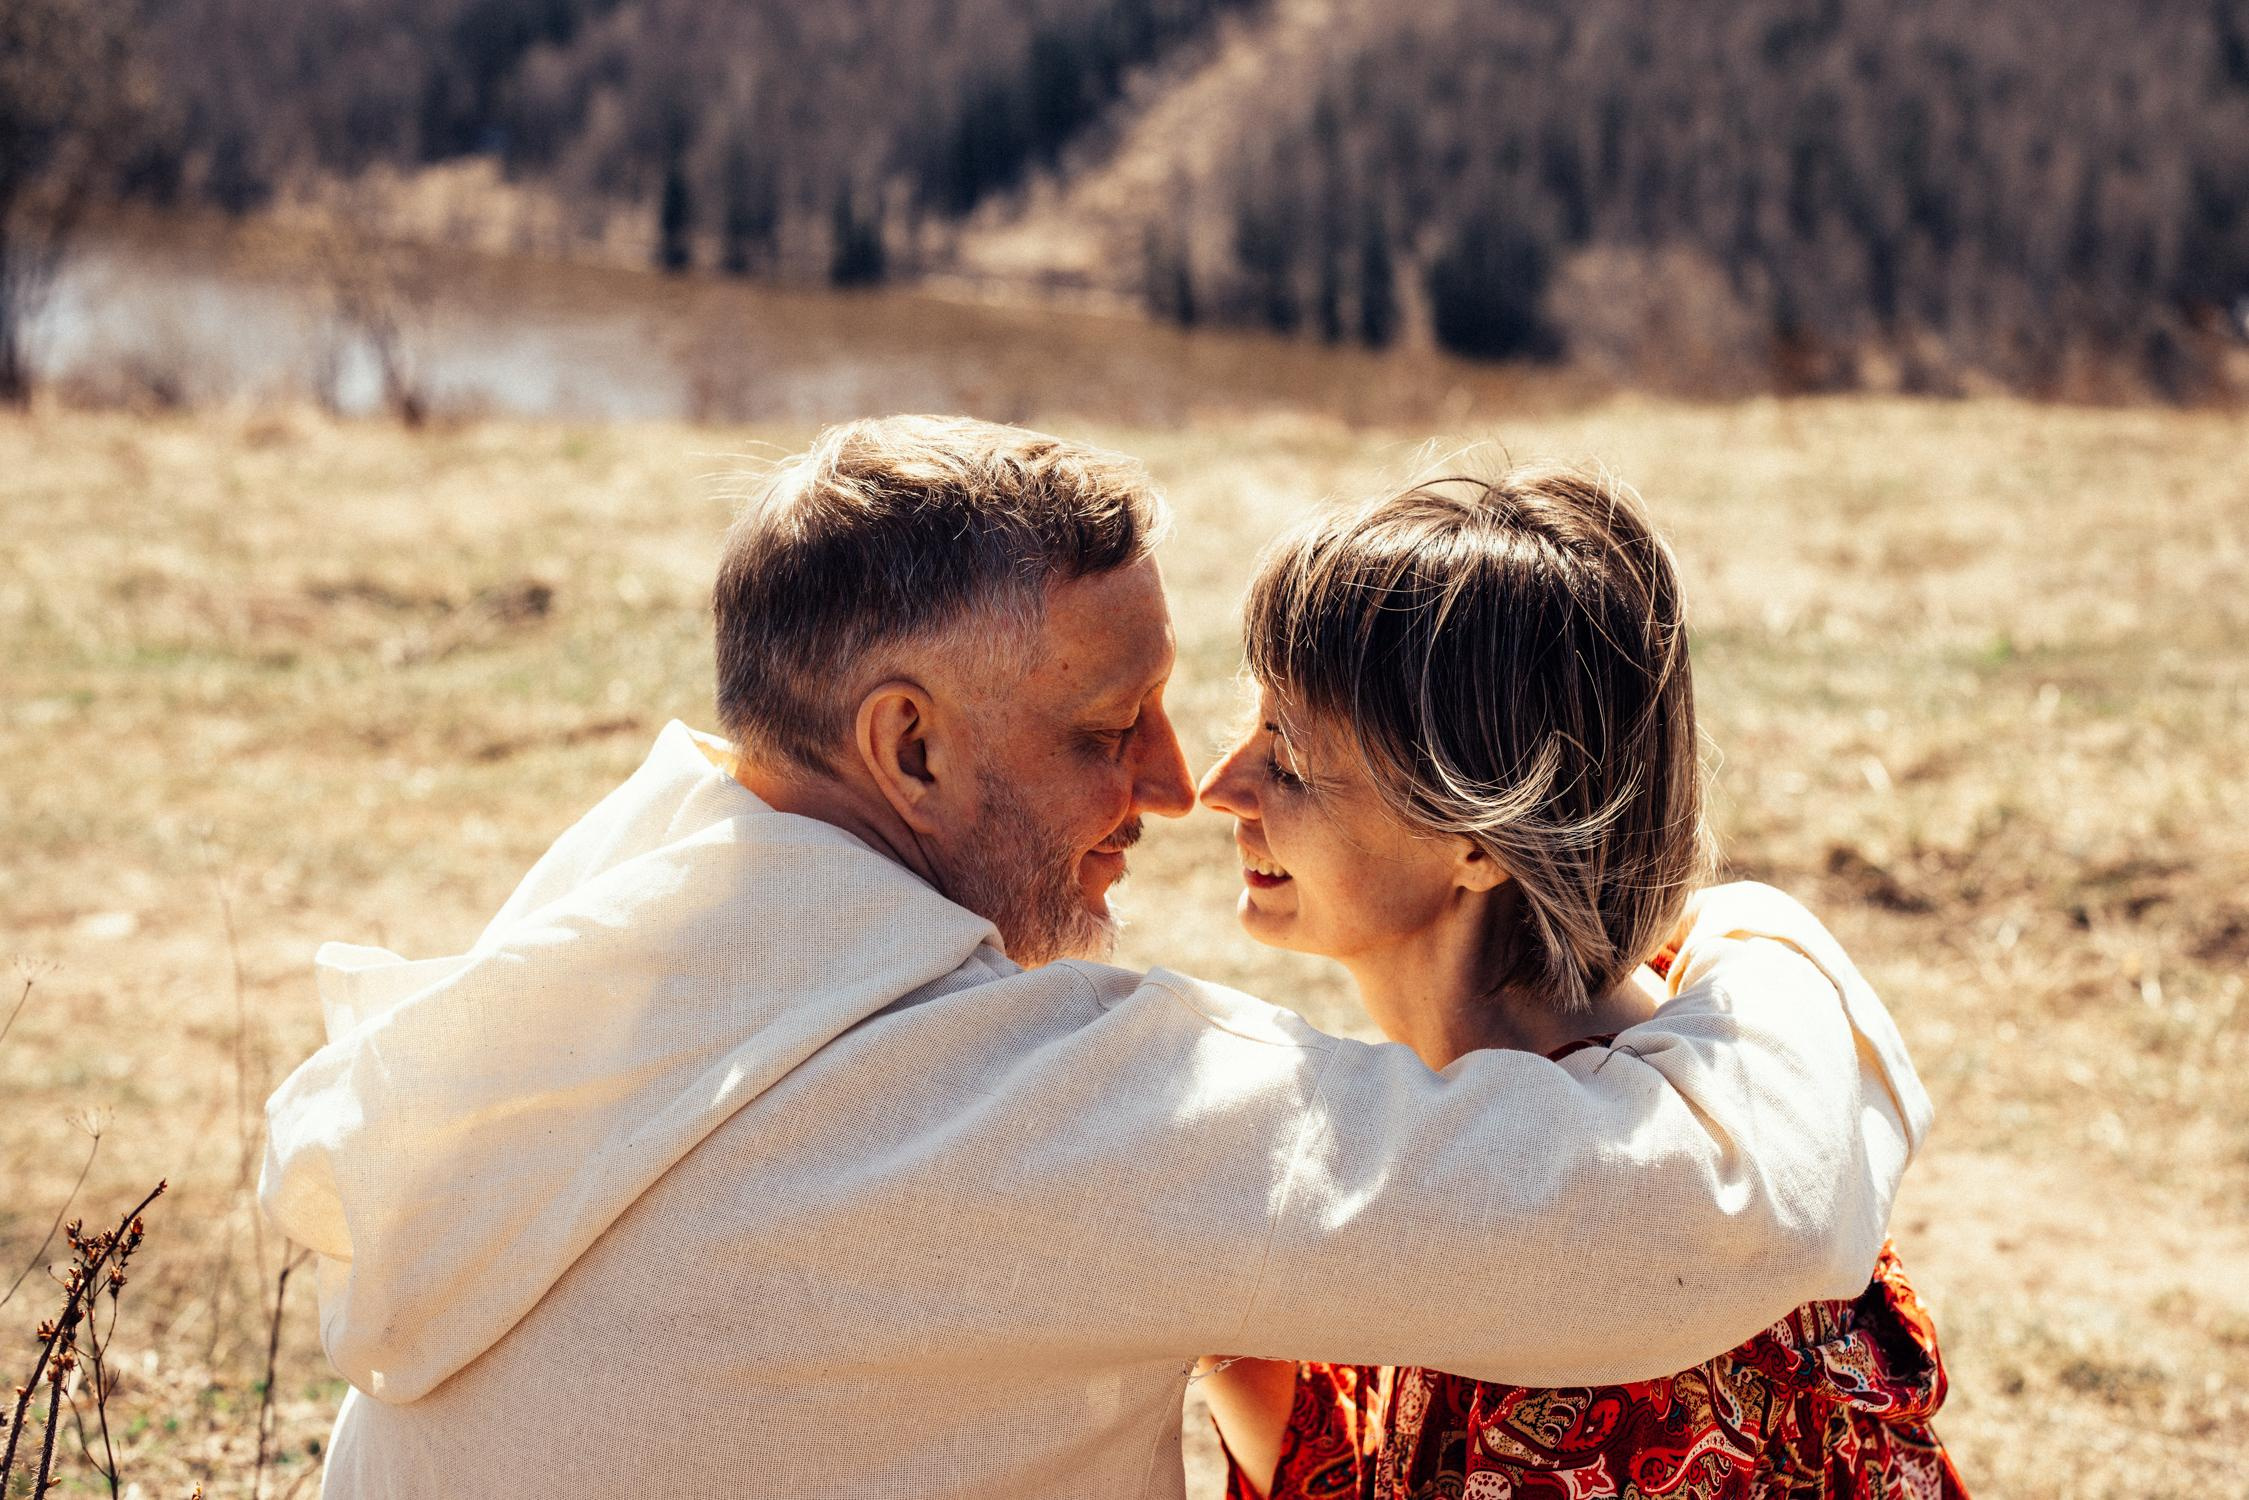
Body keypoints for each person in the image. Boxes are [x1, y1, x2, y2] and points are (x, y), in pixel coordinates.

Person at [258, 417, 1930, 1498]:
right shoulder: (1020, 1108)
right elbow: (1698, 1212)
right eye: (1100, 728)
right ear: (903, 747)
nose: (1172, 782)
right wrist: (1757, 937)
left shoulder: (633, 925)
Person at [1195, 465, 1964, 1498]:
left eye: (1286, 760)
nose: (1217, 788)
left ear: (1475, 840)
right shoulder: (1516, 1148)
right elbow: (1387, 1458)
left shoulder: (1631, 1289)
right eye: (1251, 723)